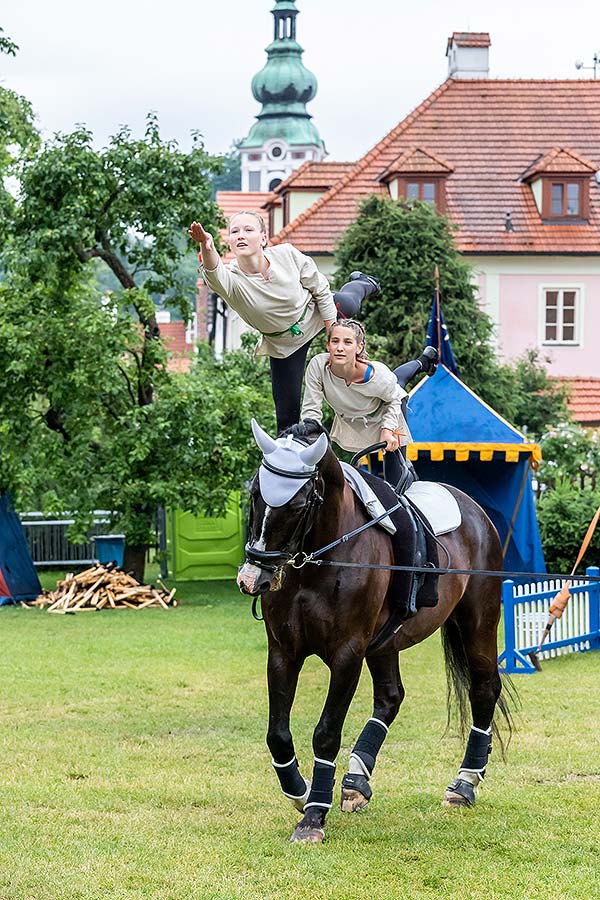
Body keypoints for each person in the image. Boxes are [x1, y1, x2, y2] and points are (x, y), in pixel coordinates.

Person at [188, 212, 380, 434]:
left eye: (248, 230)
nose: (241, 235)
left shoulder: (287, 254)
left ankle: (364, 283)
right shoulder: (230, 279)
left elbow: (320, 288)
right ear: (229, 241)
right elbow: (212, 271)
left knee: (349, 304)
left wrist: (332, 336)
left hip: (313, 313)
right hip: (284, 345)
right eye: (234, 231)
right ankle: (290, 464)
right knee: (286, 419)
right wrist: (206, 245)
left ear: (263, 237)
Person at [300, 320, 437, 491]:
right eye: (335, 341)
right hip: (353, 416)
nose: (340, 348)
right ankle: (425, 360)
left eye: (347, 342)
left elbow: (393, 399)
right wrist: (309, 439)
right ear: (328, 345)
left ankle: (424, 361)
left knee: (396, 484)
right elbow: (311, 411)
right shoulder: (318, 366)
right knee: (397, 379)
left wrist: (387, 430)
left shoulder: (377, 376)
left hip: (388, 411)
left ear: (359, 347)